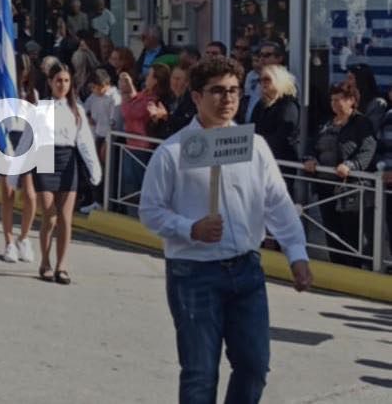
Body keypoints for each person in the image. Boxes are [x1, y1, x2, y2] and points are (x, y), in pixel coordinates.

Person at [139, 56, 312, 403]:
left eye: (233, 90)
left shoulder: (255, 146)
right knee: (200, 375)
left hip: (246, 270)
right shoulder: (173, 152)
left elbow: (276, 202)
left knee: (254, 366)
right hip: (194, 274)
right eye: (217, 91)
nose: (228, 98)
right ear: (196, 97)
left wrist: (297, 253)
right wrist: (190, 228)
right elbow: (150, 211)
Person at [35, 62, 102, 284]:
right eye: (58, 81)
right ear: (50, 83)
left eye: (66, 81)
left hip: (67, 159)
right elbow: (28, 139)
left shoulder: (77, 109)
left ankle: (61, 266)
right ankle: (45, 262)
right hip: (45, 156)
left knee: (65, 217)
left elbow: (85, 142)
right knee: (49, 215)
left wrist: (94, 169)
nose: (62, 85)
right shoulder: (41, 107)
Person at [305, 81, 377, 266]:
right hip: (325, 185)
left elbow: (368, 149)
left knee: (350, 233)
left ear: (352, 100)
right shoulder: (326, 122)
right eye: (332, 100)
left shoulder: (361, 122)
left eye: (340, 99)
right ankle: (337, 265)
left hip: (349, 188)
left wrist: (351, 165)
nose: (335, 103)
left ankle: (354, 269)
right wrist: (310, 158)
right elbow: (313, 144)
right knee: (331, 230)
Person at [0, 53, 39, 261]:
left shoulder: (34, 94)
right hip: (7, 142)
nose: (22, 73)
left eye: (25, 69)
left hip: (28, 143)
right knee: (8, 194)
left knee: (31, 196)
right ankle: (8, 242)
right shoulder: (4, 93)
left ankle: (24, 237)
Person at [82, 68, 121, 214]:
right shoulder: (93, 96)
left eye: (97, 87)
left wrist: (107, 141)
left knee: (107, 171)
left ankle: (106, 203)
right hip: (97, 135)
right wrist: (88, 117)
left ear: (105, 83)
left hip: (109, 138)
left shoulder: (113, 98)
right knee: (94, 169)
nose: (95, 90)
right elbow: (84, 108)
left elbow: (114, 121)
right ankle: (96, 200)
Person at [250, 65, 300, 167]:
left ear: (279, 80)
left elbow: (282, 137)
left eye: (267, 79)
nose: (262, 83)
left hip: (281, 162)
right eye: (260, 80)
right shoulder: (260, 105)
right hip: (260, 158)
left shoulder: (288, 105)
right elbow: (252, 130)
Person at [346, 63, 388, 135]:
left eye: (350, 78)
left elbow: (370, 130)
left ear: (361, 80)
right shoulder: (346, 100)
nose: (347, 82)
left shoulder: (377, 104)